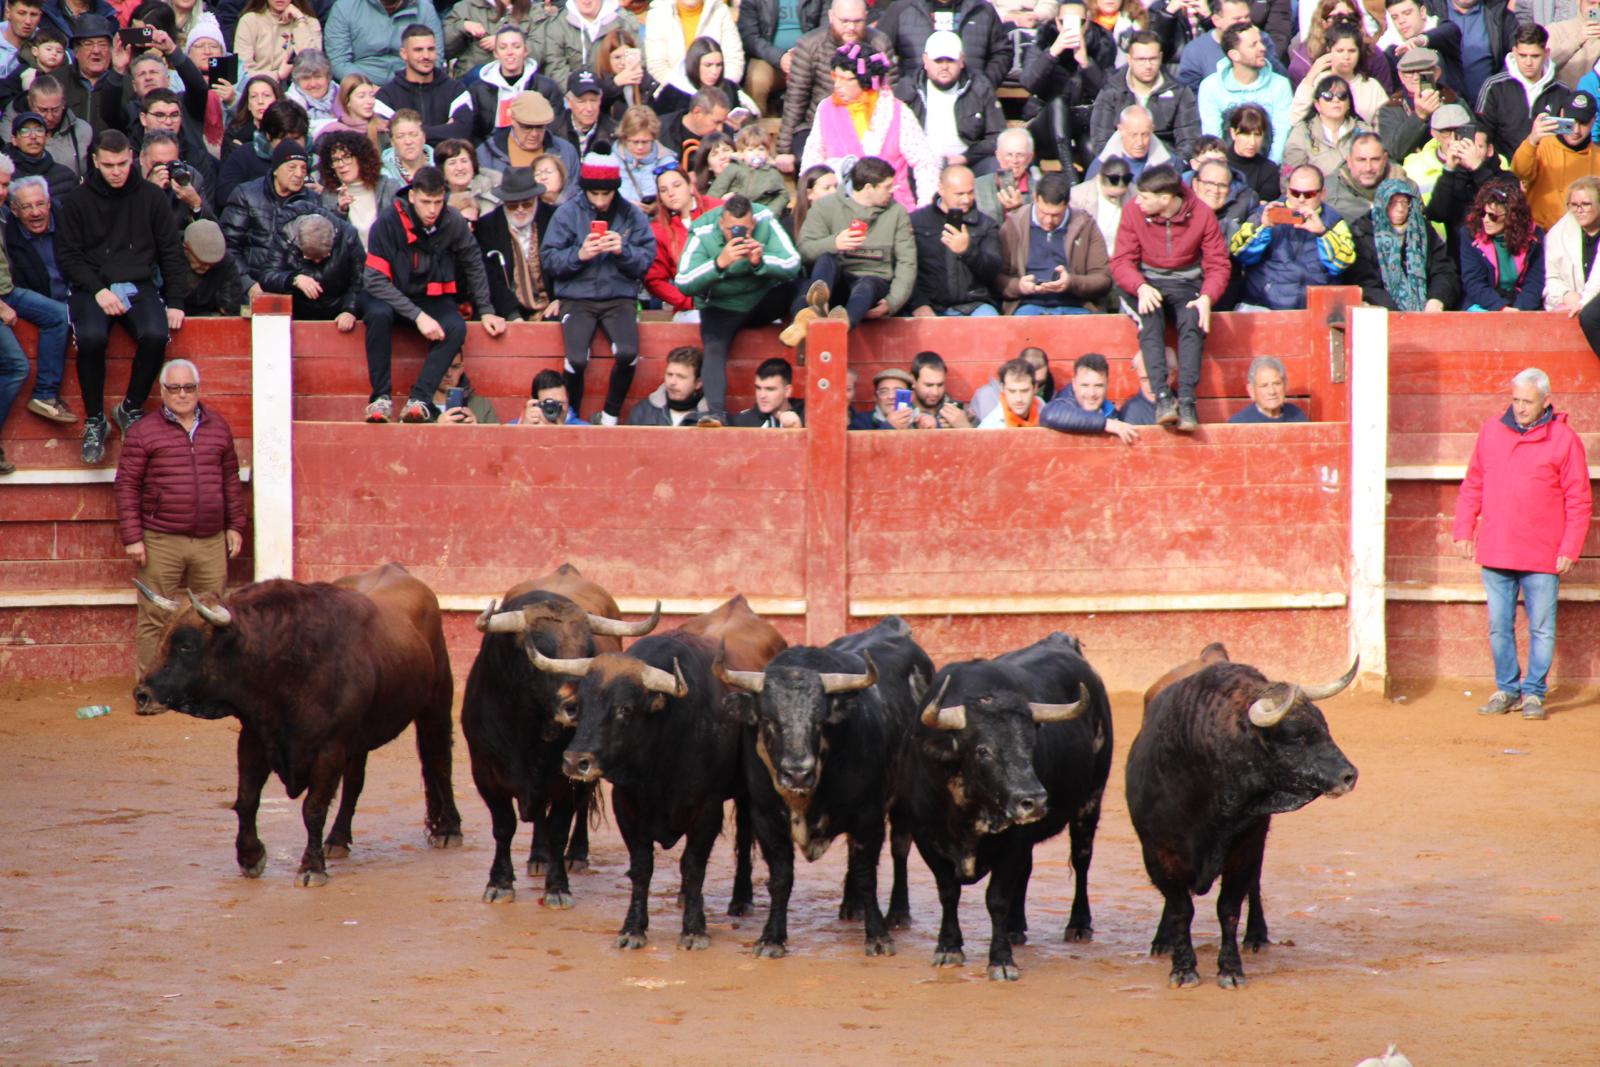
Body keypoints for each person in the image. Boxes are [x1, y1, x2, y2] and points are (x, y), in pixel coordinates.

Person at [1452, 367, 1591, 720]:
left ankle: (1533, 694)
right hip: (1498, 548)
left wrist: (1569, 548)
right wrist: (1463, 530)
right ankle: (1508, 689)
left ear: (1545, 401)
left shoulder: (1564, 439)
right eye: (1515, 400)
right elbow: (1473, 485)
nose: (1520, 408)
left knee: (1541, 627)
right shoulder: (1491, 432)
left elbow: (1579, 499)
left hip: (1543, 552)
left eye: (1527, 401)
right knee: (1499, 625)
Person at [59, 129, 187, 465]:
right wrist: (98, 290)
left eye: (122, 163)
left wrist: (175, 301)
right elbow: (68, 256)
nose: (116, 171)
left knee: (157, 334)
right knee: (91, 337)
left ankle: (130, 407)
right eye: (109, 165)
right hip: (92, 285)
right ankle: (94, 420)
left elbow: (171, 251)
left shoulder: (151, 197)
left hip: (138, 281)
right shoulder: (77, 200)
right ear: (96, 163)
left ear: (133, 158)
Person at [114, 358, 245, 673]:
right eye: (174, 388)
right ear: (162, 391)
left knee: (212, 614)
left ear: (198, 389)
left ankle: (205, 687)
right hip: (161, 539)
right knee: (155, 616)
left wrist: (236, 526)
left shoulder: (218, 427)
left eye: (189, 387)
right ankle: (151, 689)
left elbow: (230, 479)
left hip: (211, 540)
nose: (182, 394)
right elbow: (127, 486)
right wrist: (133, 538)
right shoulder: (144, 432)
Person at [361, 164, 504, 424]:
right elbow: (374, 280)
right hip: (388, 296)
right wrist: (417, 316)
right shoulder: (387, 223)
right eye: (426, 202)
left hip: (429, 297)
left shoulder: (452, 221)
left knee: (456, 326)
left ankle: (420, 399)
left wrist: (486, 310)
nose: (432, 210)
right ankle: (380, 398)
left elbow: (473, 261)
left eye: (438, 202)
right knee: (377, 314)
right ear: (412, 195)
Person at [540, 143, 654, 424]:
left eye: (607, 193)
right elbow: (550, 259)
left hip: (619, 297)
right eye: (595, 193)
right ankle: (573, 416)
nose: (601, 200)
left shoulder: (632, 214)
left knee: (628, 354)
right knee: (576, 360)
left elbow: (646, 260)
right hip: (577, 297)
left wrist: (622, 250)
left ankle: (610, 416)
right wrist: (580, 255)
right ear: (584, 188)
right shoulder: (567, 212)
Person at [1111, 163, 1229, 432]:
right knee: (1150, 320)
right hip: (1146, 283)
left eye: (1144, 197)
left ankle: (1186, 400)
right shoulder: (1133, 212)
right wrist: (1140, 286)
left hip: (1186, 284)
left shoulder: (1201, 214)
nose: (1137, 201)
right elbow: (1121, 262)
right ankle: (1163, 398)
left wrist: (1207, 297)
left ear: (1165, 200)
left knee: (1192, 320)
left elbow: (1218, 264)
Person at [676, 192, 801, 420]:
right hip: (721, 306)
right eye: (730, 229)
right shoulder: (703, 228)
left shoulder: (764, 217)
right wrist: (719, 263)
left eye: (745, 229)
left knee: (800, 284)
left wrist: (761, 261)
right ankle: (715, 414)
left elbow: (792, 262)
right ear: (720, 222)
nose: (738, 234)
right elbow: (683, 281)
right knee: (714, 347)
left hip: (761, 298)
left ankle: (803, 319)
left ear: (752, 222)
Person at [790, 155, 916, 340]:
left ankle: (842, 327)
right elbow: (805, 249)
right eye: (887, 187)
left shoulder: (897, 213)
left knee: (866, 285)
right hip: (838, 281)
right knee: (826, 259)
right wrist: (834, 243)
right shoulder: (826, 206)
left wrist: (892, 302)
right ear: (868, 188)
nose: (893, 191)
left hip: (874, 282)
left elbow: (907, 263)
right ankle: (812, 312)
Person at [802, 44, 938, 211]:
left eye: (846, 79)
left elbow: (925, 162)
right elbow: (813, 157)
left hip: (891, 208)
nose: (837, 85)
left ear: (866, 80)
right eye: (835, 77)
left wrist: (924, 208)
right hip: (841, 209)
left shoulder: (897, 111)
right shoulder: (826, 108)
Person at [775, 0, 896, 173]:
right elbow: (795, 99)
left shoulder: (880, 42)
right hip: (819, 125)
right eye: (845, 21)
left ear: (866, 17)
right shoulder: (810, 45)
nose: (851, 28)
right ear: (831, 16)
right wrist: (783, 150)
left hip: (871, 124)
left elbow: (891, 92)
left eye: (857, 21)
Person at [0, 174, 73, 440]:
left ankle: (47, 395)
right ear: (16, 210)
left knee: (60, 315)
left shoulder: (67, 222)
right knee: (17, 366)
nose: (35, 212)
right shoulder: (9, 226)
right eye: (26, 207)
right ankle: (44, 394)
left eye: (40, 204)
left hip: (9, 292)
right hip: (5, 297)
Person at [1230, 163, 1356, 309]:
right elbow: (1239, 254)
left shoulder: (1333, 221)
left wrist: (1323, 233)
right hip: (1264, 304)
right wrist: (1264, 228)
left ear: (1323, 194)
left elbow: (1340, 265)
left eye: (1309, 194)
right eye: (1295, 193)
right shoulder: (1266, 213)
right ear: (1287, 192)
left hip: (1314, 307)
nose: (1301, 199)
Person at [219, 138, 328, 304]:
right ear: (276, 169)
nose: (299, 174)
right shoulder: (246, 194)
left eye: (303, 168)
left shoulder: (311, 201)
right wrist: (248, 284)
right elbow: (228, 246)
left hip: (294, 289)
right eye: (292, 167)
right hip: (250, 287)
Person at [892, 29, 1006, 177]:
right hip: (920, 164)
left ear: (961, 61)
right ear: (925, 61)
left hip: (968, 164)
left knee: (995, 166)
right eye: (938, 60)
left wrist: (965, 158)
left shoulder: (980, 87)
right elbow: (893, 133)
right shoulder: (908, 87)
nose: (944, 66)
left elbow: (997, 136)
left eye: (950, 60)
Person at [997, 170, 1111, 314]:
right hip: (1028, 305)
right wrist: (1019, 286)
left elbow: (1103, 279)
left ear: (1067, 204)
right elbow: (997, 279)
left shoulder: (1086, 226)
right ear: (1035, 198)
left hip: (1076, 305)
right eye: (1043, 213)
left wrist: (1071, 282)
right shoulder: (1014, 225)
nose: (1049, 221)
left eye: (1056, 215)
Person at [1346, 175, 1461, 309]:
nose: (1400, 208)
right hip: (1381, 311)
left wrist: (1437, 298)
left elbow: (1444, 270)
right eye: (1393, 203)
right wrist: (1393, 310)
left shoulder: (1424, 231)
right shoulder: (1362, 233)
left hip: (1426, 312)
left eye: (1404, 202)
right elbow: (1364, 282)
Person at [1089, 30, 1200, 164]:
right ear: (1129, 59)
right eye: (1141, 59)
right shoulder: (1111, 91)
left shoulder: (1179, 92)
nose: (1148, 66)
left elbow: (1188, 141)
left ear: (1160, 57)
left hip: (1165, 165)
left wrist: (1173, 166)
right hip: (1121, 165)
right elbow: (1101, 142)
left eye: (1153, 59)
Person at [907, 163, 999, 317]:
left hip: (974, 304)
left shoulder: (986, 224)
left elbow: (992, 273)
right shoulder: (916, 222)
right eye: (959, 194)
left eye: (970, 193)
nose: (966, 199)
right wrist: (919, 304)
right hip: (930, 305)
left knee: (992, 326)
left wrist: (967, 250)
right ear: (942, 190)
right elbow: (904, 269)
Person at [1475, 23, 1570, 163]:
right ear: (1514, 52)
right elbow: (1481, 132)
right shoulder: (1494, 87)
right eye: (1523, 55)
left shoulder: (1562, 92)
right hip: (1503, 171)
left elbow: (1567, 139)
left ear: (1546, 53)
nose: (1528, 62)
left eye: (1535, 56)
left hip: (1547, 171)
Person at [1199, 24, 1292, 164]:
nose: (1262, 48)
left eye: (1261, 42)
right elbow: (1214, 137)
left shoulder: (1280, 85)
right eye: (1253, 45)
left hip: (1269, 167)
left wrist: (1269, 169)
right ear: (1234, 55)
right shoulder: (1210, 86)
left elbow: (1282, 134)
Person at [477, 165, 557, 322]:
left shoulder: (554, 218)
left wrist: (561, 298)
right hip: (506, 308)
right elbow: (488, 277)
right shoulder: (487, 226)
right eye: (513, 204)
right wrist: (511, 314)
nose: (520, 210)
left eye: (526, 204)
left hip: (552, 303)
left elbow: (564, 263)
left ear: (536, 200)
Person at [1511, 91, 1600, 230]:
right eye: (1572, 122)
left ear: (1593, 120)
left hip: (1582, 237)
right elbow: (1520, 171)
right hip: (1539, 233)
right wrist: (1532, 141)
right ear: (1562, 114)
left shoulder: (1598, 157)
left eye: (1583, 123)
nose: (1576, 130)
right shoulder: (1542, 145)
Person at [645, 161, 720, 320]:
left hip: (730, 298)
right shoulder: (658, 229)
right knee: (698, 319)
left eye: (677, 185)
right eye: (663, 190)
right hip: (691, 307)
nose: (671, 193)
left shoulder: (717, 209)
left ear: (691, 186)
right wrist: (688, 301)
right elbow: (654, 280)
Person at [374, 23, 471, 146]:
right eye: (418, 50)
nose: (426, 56)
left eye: (431, 49)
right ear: (403, 54)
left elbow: (462, 132)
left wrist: (409, 133)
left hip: (446, 163)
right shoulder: (386, 96)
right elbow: (388, 140)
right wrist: (445, 130)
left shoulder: (456, 90)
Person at [1458, 177, 1544, 310]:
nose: (1485, 220)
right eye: (1483, 213)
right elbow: (1474, 282)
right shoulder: (1470, 234)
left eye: (1493, 216)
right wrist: (1501, 308)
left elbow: (1535, 282)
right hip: (1484, 303)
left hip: (1520, 302)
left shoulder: (1533, 236)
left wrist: (1519, 309)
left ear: (1511, 217)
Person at [465, 27, 561, 143]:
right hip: (491, 153)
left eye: (516, 47)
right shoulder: (478, 90)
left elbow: (555, 131)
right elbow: (472, 133)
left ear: (525, 51)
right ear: (495, 53)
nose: (510, 52)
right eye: (503, 47)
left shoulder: (546, 87)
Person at [266, 212, 363, 326]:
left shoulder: (348, 235)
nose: (317, 261)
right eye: (310, 257)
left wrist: (350, 310)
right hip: (298, 315)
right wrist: (293, 279)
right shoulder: (284, 237)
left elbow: (359, 278)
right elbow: (268, 275)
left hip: (339, 309)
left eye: (323, 256)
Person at [325, 0, 443, 84]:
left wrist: (407, 87)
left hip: (412, 85)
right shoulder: (344, 7)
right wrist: (368, 87)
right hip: (361, 87)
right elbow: (338, 62)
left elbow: (435, 56)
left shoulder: (424, 8)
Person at [318, 129, 400, 247]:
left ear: (361, 158)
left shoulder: (389, 187)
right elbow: (329, 243)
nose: (341, 164)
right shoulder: (328, 196)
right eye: (335, 160)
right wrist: (341, 212)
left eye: (347, 157)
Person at [1545, 175, 1600, 350]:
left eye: (1586, 204)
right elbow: (1550, 277)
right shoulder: (1558, 234)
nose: (1579, 210)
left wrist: (1583, 301)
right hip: (1574, 303)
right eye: (1574, 205)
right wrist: (1565, 294)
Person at [533, 0, 642, 87]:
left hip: (617, 97)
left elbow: (640, 62)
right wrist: (581, 96)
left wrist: (612, 87)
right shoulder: (558, 25)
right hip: (575, 100)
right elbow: (555, 70)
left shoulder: (624, 22)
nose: (586, 1)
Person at [1039, 351, 1141, 444]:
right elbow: (1049, 415)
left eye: (1098, 386)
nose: (1092, 393)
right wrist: (1105, 424)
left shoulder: (1111, 411)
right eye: (1085, 385)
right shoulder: (1064, 402)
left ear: (1107, 385)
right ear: (1074, 384)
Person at [1283, 74, 1362, 181]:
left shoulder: (1364, 131)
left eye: (1342, 95)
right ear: (1317, 105)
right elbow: (1289, 178)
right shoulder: (1301, 133)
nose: (1336, 100)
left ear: (1349, 104)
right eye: (1328, 96)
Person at [444, 0, 543, 79]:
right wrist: (463, 26)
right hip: (473, 79)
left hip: (520, 80)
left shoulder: (533, 10)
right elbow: (443, 48)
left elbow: (539, 52)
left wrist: (506, 43)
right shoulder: (466, 7)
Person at [1324, 129, 1406, 222]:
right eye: (1361, 160)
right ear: (1349, 161)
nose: (1368, 168)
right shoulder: (1329, 193)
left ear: (1385, 159)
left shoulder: (1407, 188)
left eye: (1375, 159)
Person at [707, 123, 787, 216]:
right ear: (742, 152)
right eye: (751, 150)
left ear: (767, 152)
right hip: (734, 214)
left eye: (761, 149)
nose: (756, 154)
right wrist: (718, 206)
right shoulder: (734, 168)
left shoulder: (772, 173)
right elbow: (716, 191)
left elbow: (783, 195)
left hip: (760, 214)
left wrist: (770, 211)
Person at [626, 345, 713, 426]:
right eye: (669, 374)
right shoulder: (643, 411)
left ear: (698, 383)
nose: (672, 382)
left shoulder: (712, 418)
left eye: (681, 377)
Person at [233, 0, 321, 81]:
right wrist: (276, 75)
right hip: (257, 86)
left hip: (296, 88)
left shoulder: (309, 22)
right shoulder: (249, 20)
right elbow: (242, 71)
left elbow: (313, 65)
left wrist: (300, 21)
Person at [1087, 103, 1175, 181]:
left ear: (1152, 130)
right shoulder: (1101, 166)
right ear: (1121, 130)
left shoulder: (1170, 163)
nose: (1140, 142)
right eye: (1133, 135)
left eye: (1145, 134)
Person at [178, 217, 246, 315]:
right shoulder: (171, 252)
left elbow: (231, 306)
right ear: (186, 249)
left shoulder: (226, 262)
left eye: (211, 264)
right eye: (201, 261)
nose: (206, 267)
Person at [973, 127, 1041, 221]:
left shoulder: (1039, 190)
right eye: (1009, 155)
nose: (1014, 160)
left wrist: (1020, 210)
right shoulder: (977, 187)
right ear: (998, 156)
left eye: (1020, 155)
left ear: (1030, 158)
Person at [1070, 155, 1133, 255]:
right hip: (1088, 257)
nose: (1115, 199)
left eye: (1120, 195)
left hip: (1122, 258)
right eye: (1111, 195)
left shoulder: (1135, 194)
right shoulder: (1077, 197)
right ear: (1098, 178)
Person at [1224, 102, 1281, 202]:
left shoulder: (1269, 170)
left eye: (1257, 135)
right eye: (1246, 134)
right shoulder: (1220, 163)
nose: (1252, 142)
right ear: (1233, 133)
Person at [1227, 355, 1308, 422]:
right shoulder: (1239, 423)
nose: (1272, 391)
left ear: (1285, 385)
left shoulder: (1296, 415)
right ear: (1251, 390)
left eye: (1277, 384)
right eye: (1264, 386)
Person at [731, 355, 804, 427]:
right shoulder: (744, 422)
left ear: (787, 391)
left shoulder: (808, 415)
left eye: (770, 389)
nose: (762, 395)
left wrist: (799, 429)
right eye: (758, 388)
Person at [431, 348, 498, 425]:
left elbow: (497, 436)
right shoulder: (418, 406)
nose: (449, 373)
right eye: (443, 366)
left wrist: (477, 430)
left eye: (455, 367)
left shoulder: (482, 405)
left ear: (461, 369)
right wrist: (436, 426)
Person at [905, 350, 971, 428]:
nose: (935, 392)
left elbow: (983, 437)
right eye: (928, 385)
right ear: (913, 381)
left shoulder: (958, 412)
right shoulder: (902, 411)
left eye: (940, 385)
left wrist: (965, 426)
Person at [976, 356, 1042, 428]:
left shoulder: (1042, 407)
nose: (1018, 399)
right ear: (1002, 388)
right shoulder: (990, 427)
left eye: (1025, 391)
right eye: (1012, 391)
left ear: (1035, 388)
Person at [512, 368, 583, 425]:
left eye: (560, 403)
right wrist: (524, 431)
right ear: (534, 404)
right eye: (548, 404)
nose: (553, 409)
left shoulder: (583, 430)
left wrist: (562, 433)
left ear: (568, 401)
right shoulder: (515, 428)